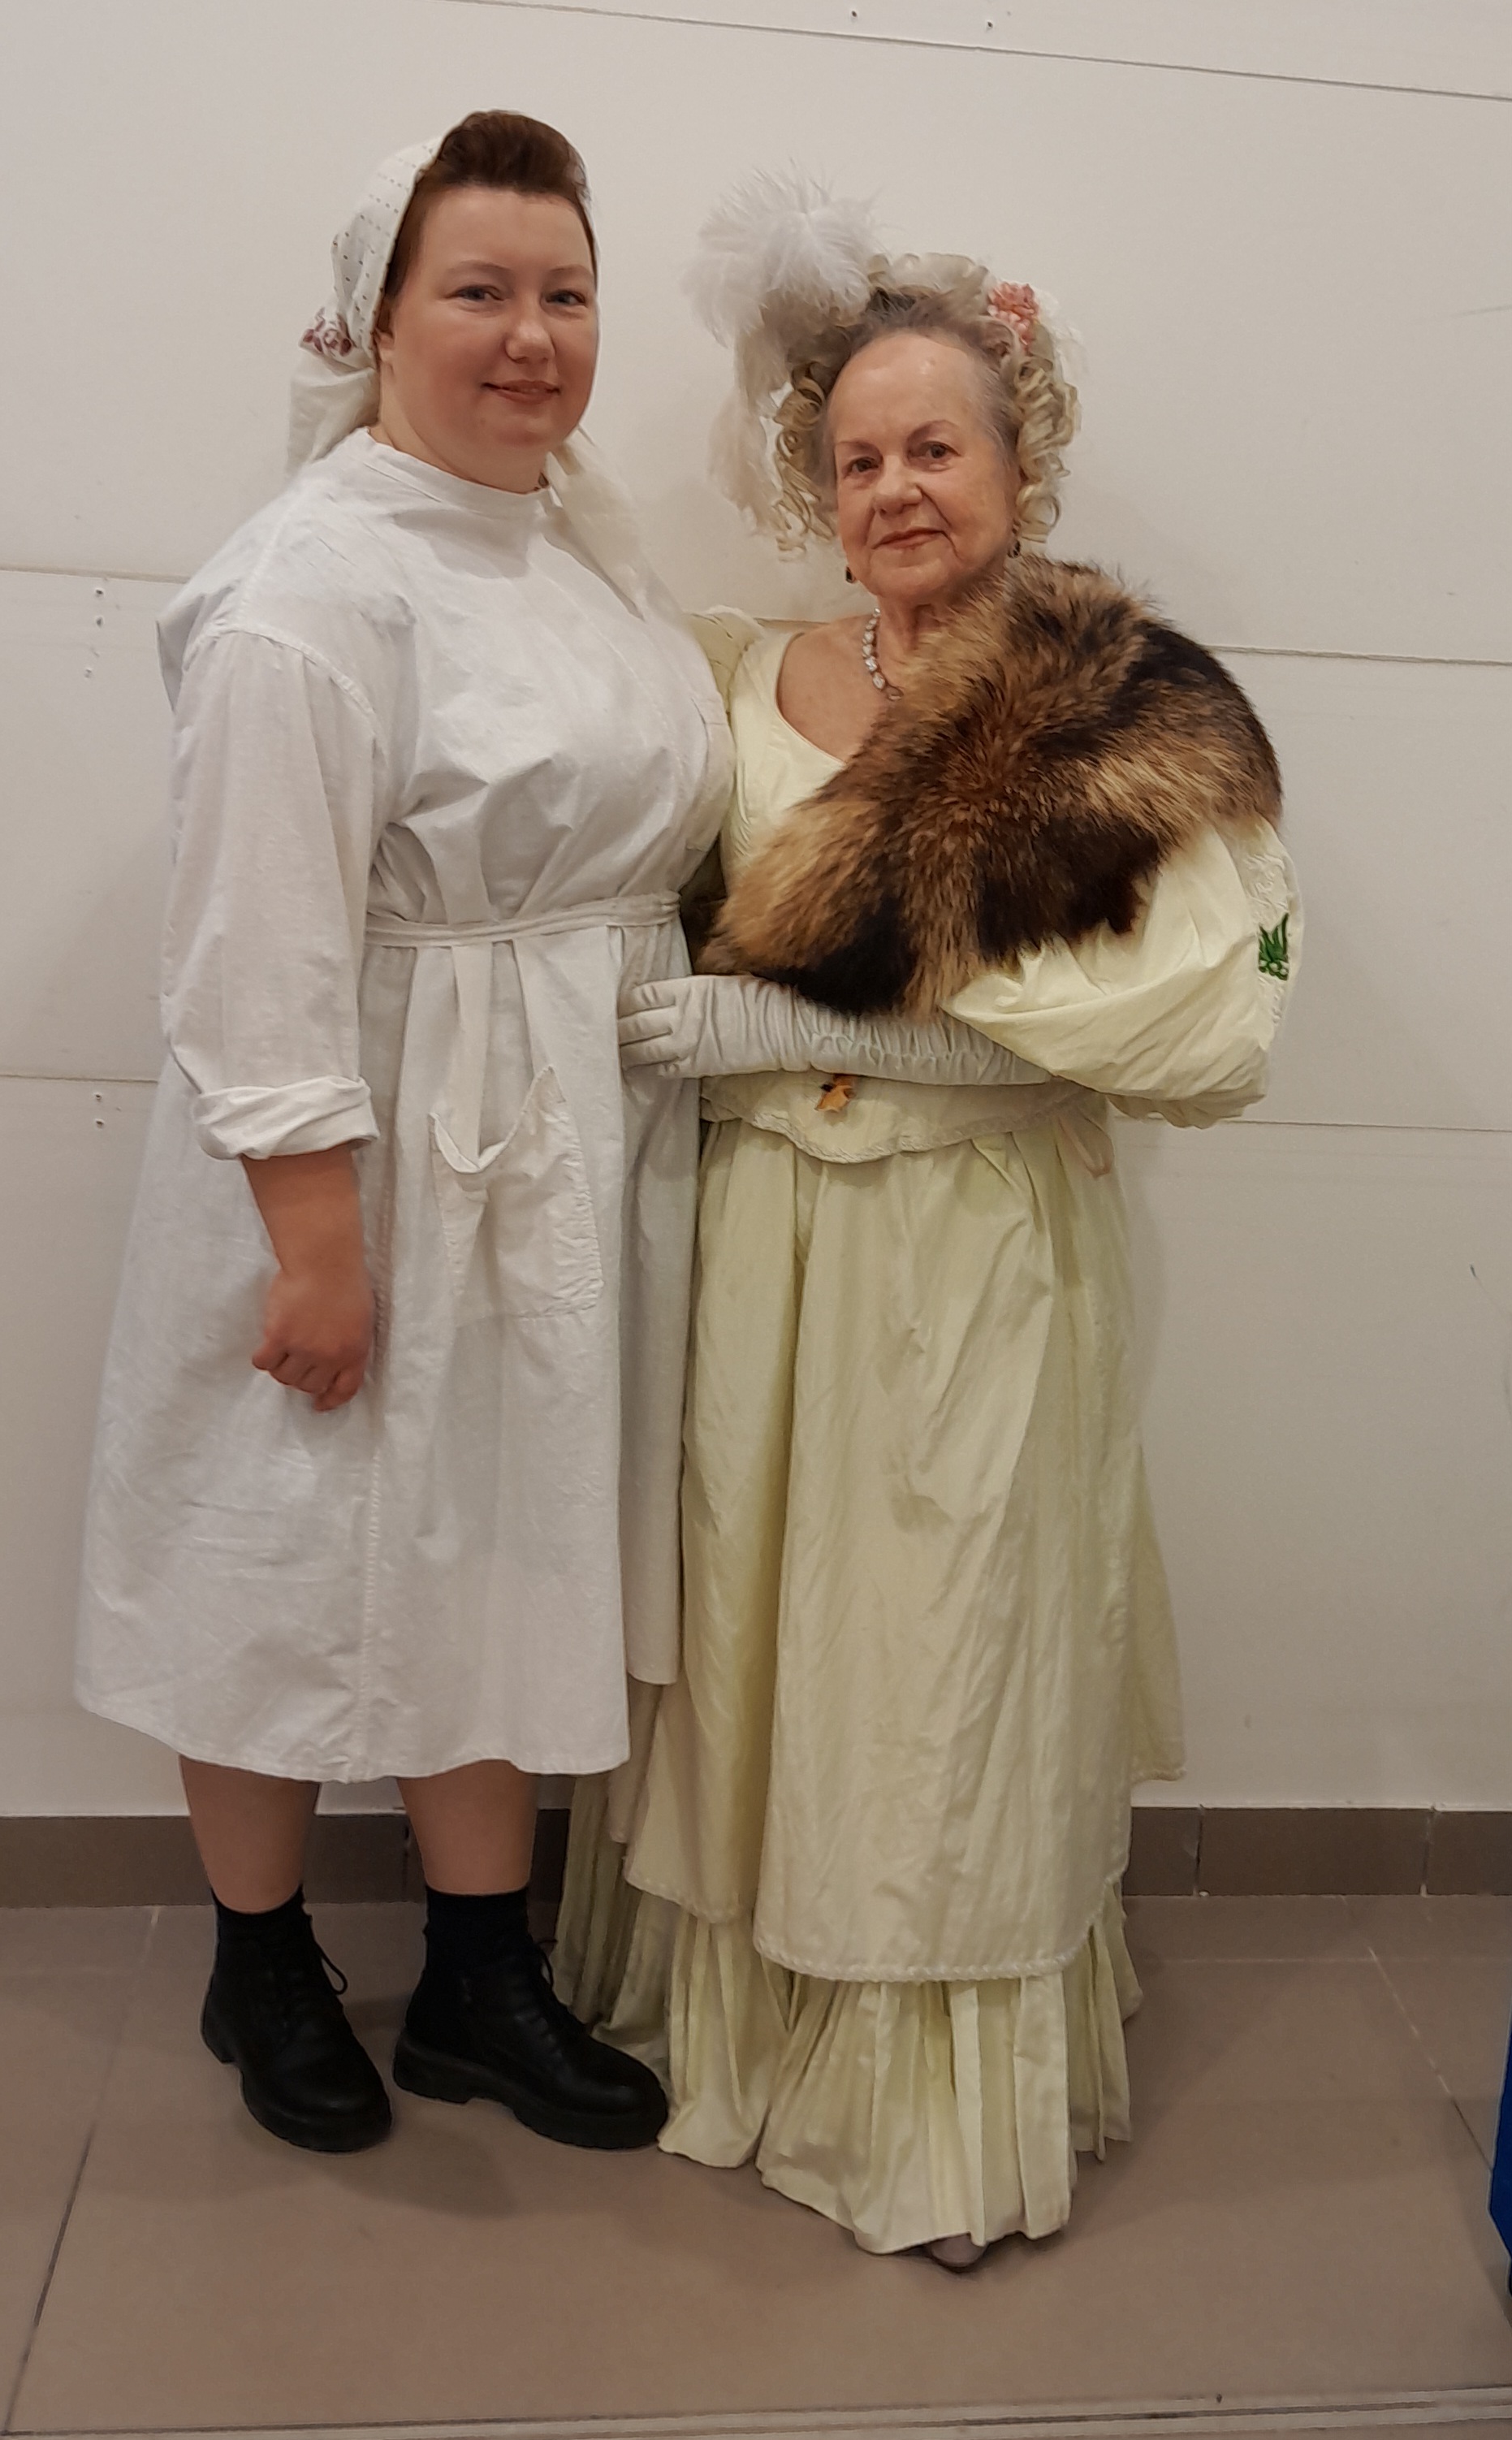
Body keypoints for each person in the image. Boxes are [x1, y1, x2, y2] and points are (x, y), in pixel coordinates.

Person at [556, 175, 1301, 2266]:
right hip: (759, 1258)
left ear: (1017, 454)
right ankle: (751, 2040)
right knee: (765, 1645)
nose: (894, 487)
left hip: (976, 1257)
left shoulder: (1114, 701)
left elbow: (1183, 1028)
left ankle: (933, 2120)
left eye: (935, 446)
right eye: (858, 455)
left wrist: (780, 1017)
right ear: (816, 480)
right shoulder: (731, 674)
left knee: (945, 1661)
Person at [76, 115, 736, 2157]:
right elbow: (251, 943)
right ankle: (259, 1953)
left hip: (550, 1142)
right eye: (479, 291)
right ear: (378, 320)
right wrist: (313, 1240)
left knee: (502, 1544)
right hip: (360, 1153)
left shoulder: (573, 540)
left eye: (565, 292)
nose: (532, 335)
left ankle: (475, 1970)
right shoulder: (308, 586)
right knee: (279, 1544)